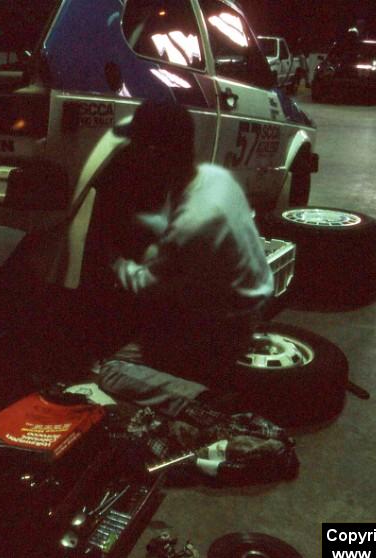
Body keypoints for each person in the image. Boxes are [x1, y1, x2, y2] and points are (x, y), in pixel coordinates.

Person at [86, 99, 274, 418]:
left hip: (223, 328)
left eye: (137, 146)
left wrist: (113, 260)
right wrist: (142, 223)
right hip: (247, 302)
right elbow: (179, 232)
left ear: (155, 153)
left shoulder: (195, 223)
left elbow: (145, 284)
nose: (132, 155)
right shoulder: (214, 177)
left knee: (110, 369)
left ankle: (203, 400)